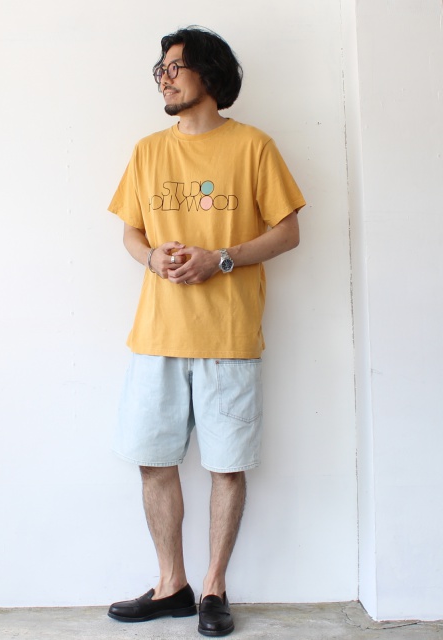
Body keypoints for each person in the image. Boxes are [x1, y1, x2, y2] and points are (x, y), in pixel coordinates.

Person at [106, 26, 306, 637]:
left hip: (228, 337)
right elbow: (130, 232)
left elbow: (288, 231)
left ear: (209, 74)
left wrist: (221, 258)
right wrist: (151, 257)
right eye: (160, 69)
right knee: (152, 461)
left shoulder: (254, 146)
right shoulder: (147, 151)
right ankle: (172, 585)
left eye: (175, 67)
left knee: (227, 465)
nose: (163, 78)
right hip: (156, 336)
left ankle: (213, 588)